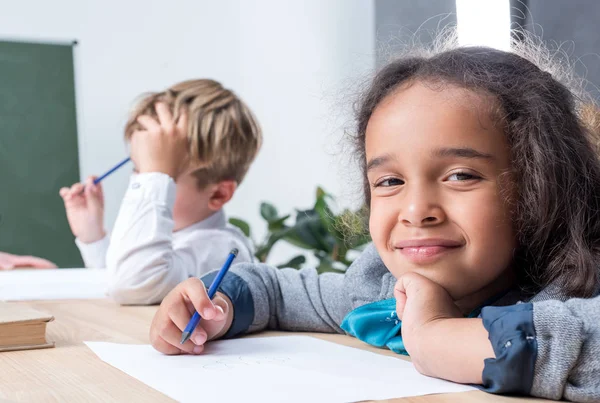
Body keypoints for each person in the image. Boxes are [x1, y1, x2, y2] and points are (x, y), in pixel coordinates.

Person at [148, 42, 600, 401]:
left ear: (541, 187)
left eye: (460, 175)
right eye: (389, 181)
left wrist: (434, 336)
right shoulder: (378, 284)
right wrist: (218, 303)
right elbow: (280, 292)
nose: (415, 209)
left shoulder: (578, 284)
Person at [60, 79, 262, 304]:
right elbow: (118, 280)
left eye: (161, 175)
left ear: (218, 195)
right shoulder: (175, 239)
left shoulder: (220, 248)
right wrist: (94, 237)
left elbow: (132, 283)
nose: (141, 181)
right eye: (139, 169)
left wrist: (153, 176)